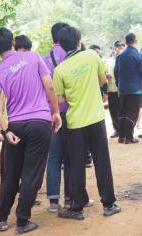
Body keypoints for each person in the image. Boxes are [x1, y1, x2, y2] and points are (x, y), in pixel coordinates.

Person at [0, 27, 62, 234]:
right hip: (39, 122)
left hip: (15, 126)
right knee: (32, 174)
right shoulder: (33, 57)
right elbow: (50, 86)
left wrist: (5, 130)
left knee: (11, 173)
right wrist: (55, 112)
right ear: (13, 40)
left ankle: (1, 219)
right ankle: (22, 221)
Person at [54, 26, 121, 220]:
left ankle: (76, 208)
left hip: (75, 123)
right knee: (102, 161)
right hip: (96, 118)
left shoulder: (59, 70)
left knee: (76, 165)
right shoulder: (92, 55)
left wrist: (74, 94)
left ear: (62, 46)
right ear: (79, 41)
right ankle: (109, 204)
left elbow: (60, 100)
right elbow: (102, 80)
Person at [43, 22, 71, 213]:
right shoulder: (74, 57)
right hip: (72, 112)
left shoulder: (44, 59)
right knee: (71, 155)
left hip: (51, 113)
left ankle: (53, 201)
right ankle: (71, 197)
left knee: (53, 156)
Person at [114, 33, 142, 144]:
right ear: (135, 41)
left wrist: (118, 84)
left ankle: (122, 136)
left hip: (123, 88)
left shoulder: (120, 55)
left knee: (123, 111)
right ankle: (129, 137)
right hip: (135, 89)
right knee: (132, 112)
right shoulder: (139, 55)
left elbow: (116, 71)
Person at [106, 41, 123, 138]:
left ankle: (124, 129)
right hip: (111, 89)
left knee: (122, 110)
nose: (118, 49)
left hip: (122, 89)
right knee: (113, 110)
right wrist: (105, 75)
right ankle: (116, 129)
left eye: (121, 47)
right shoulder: (109, 61)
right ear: (114, 48)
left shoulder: (124, 59)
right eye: (117, 47)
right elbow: (103, 71)